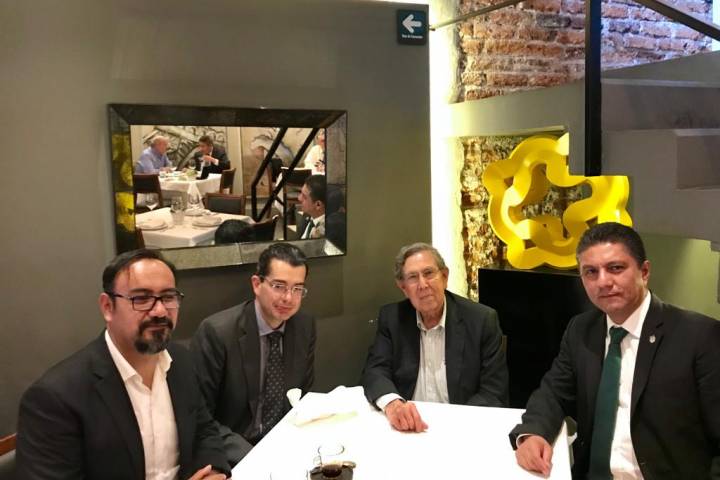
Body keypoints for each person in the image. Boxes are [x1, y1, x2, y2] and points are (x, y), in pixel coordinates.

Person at [510, 222, 720, 479]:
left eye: (615, 268)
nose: (603, 282)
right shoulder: (581, 329)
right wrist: (532, 432)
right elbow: (553, 392)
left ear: (644, 271)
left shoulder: (699, 336)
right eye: (591, 272)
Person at [16, 249, 231, 480]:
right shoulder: (55, 398)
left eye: (168, 297)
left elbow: (204, 431)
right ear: (107, 307)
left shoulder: (182, 361)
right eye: (141, 299)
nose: (160, 311)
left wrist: (213, 471)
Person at [361, 243, 509, 433]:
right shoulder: (392, 318)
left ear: (444, 277)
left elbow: (493, 392)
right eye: (413, 277)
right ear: (403, 288)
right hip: (408, 428)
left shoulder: (481, 320)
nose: (423, 285)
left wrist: (449, 424)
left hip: (461, 428)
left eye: (429, 273)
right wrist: (393, 404)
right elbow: (374, 371)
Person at [191, 243, 316, 466]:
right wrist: (256, 458)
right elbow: (200, 418)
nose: (288, 298)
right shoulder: (218, 333)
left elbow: (302, 397)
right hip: (235, 453)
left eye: (297, 288)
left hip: (286, 447)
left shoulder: (304, 327)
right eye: (279, 286)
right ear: (257, 284)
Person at [297, 174, 326, 240]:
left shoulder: (324, 233)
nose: (299, 198)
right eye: (300, 193)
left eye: (304, 197)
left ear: (318, 205)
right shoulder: (308, 215)